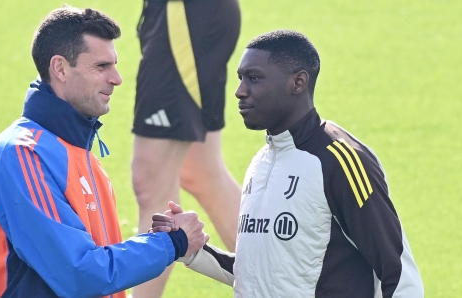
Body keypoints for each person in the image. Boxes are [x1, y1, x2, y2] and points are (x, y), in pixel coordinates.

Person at [152, 30, 425, 297]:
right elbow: (259, 274)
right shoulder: (261, 163)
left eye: (254, 78)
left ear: (298, 82)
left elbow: (399, 274)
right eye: (240, 79)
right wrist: (191, 249)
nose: (239, 91)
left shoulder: (339, 160)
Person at [0, 6, 209, 298]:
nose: (117, 78)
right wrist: (172, 244)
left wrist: (159, 240)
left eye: (114, 65)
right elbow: (78, 273)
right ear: (60, 68)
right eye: (101, 66)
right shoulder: (21, 155)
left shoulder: (83, 156)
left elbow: (97, 264)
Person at [130, 0, 242, 297]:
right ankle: (283, 286)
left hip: (185, 17)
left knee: (151, 183)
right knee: (201, 172)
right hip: (184, 17)